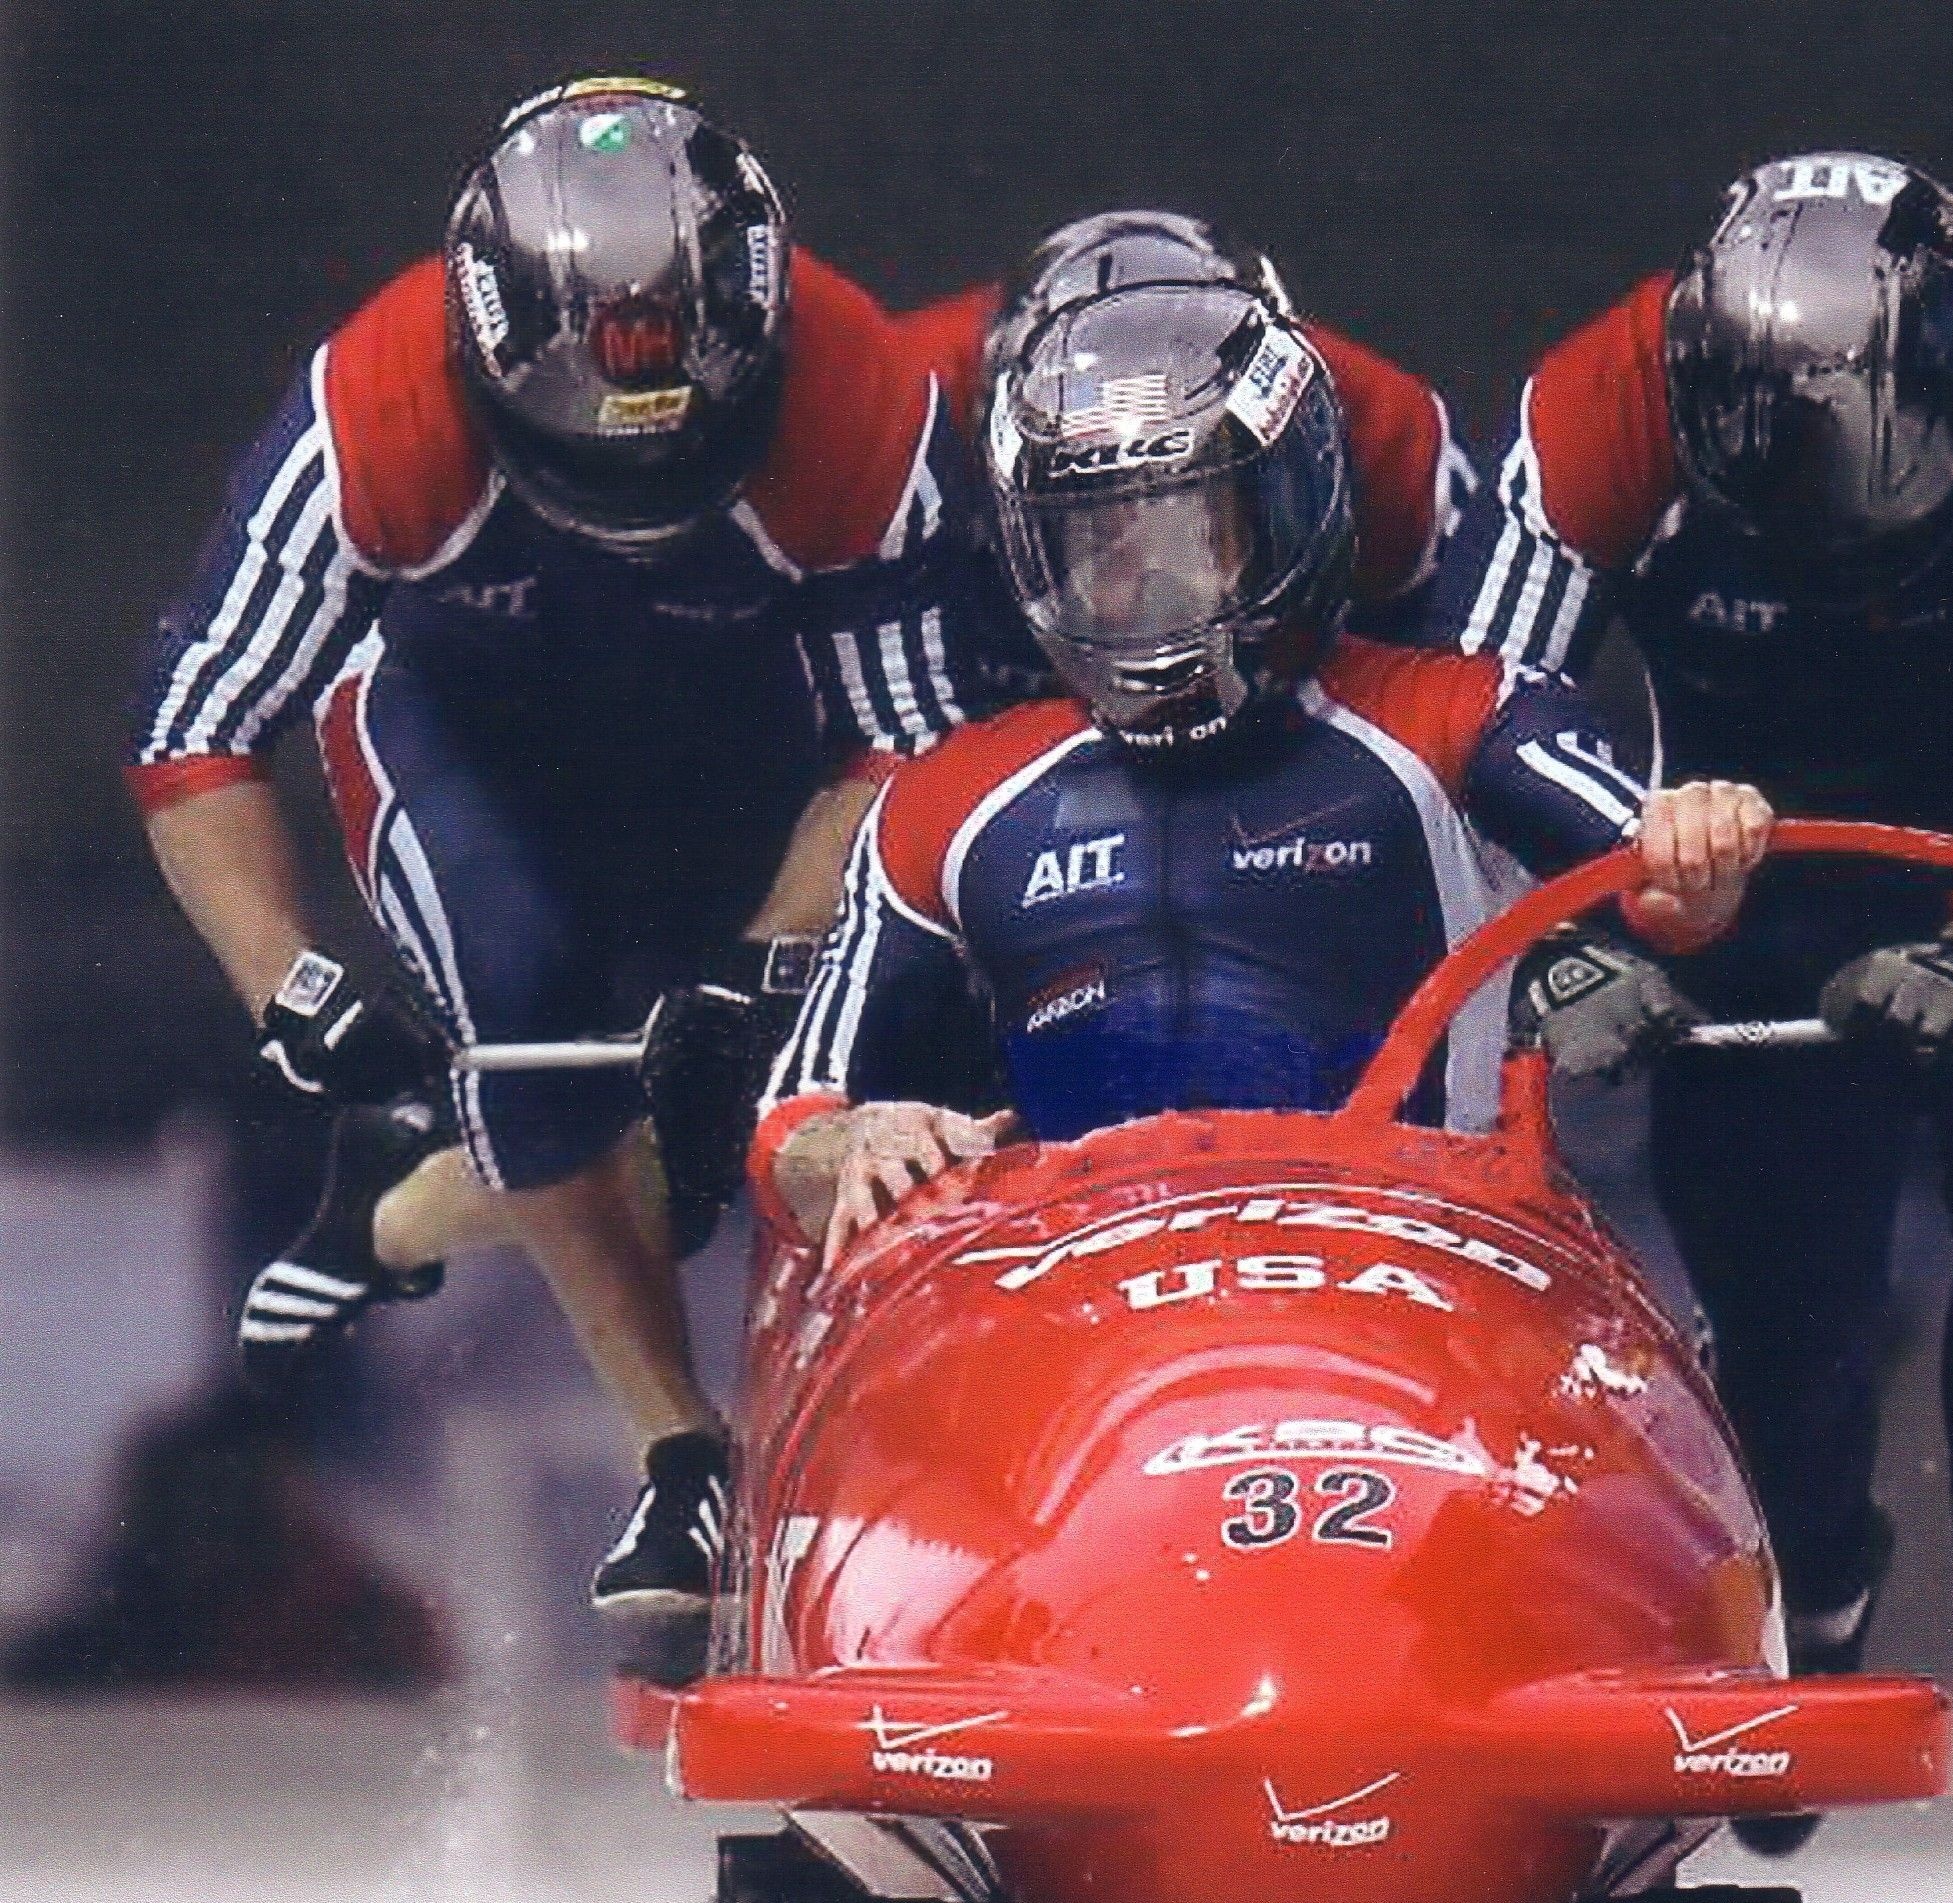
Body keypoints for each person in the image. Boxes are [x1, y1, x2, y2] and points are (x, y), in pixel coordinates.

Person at [128, 79, 990, 1620]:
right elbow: (194, 722)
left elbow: (910, 744)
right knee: (536, 1031)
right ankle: (683, 1455)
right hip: (472, 738)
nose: (633, 501)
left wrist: (762, 965)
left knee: (799, 1087)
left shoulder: (858, 399)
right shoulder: (374, 411)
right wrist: (283, 985)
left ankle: (406, 1200)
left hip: (749, 750)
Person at [1435, 152, 1953, 1896]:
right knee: (1785, 1288)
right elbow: (1478, 705)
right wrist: (1564, 936)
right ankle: (1817, 1589)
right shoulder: (1590, 409)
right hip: (1728, 875)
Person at [746, 281, 1769, 1281]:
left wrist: (1696, 848)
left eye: (1190, 530)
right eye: (1099, 543)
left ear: (1286, 512)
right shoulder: (949, 801)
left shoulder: (1459, 714)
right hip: (1083, 1318)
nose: (1144, 585)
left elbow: (1647, 872)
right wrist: (852, 1142)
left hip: (1415, 1275)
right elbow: (793, 1118)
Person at [892, 209, 1474, 682]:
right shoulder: (904, 416)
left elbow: (1459, 673)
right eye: (1103, 532)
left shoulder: (1388, 438)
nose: (1153, 575)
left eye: (1195, 522)